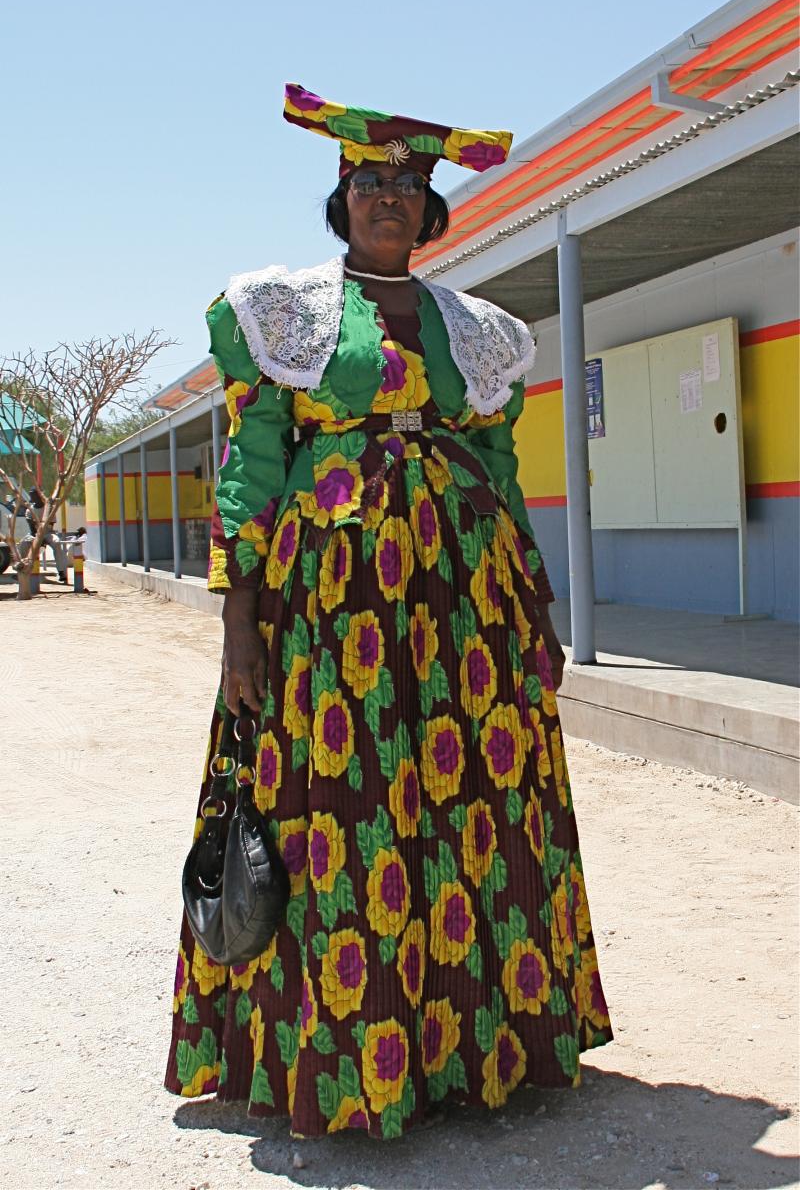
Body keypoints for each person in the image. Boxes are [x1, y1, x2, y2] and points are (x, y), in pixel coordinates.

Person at [165, 85, 612, 1138]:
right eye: (368, 184)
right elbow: (253, 467)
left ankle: (469, 1054)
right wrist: (238, 622)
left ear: (429, 208)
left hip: (465, 607)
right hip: (332, 613)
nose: (387, 202)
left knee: (474, 806)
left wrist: (535, 604)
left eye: (407, 187)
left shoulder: (477, 327)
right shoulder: (283, 313)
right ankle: (344, 1066)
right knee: (344, 810)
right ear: (340, 197)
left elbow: (499, 468)